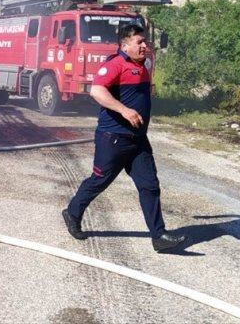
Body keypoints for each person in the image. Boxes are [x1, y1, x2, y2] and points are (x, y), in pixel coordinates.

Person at [62, 24, 187, 253]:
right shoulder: (114, 64)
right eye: (139, 42)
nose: (144, 46)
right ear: (124, 45)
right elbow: (96, 91)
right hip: (114, 138)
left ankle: (158, 236)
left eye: (145, 41)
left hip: (138, 140)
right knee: (100, 181)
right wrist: (124, 110)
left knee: (149, 185)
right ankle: (72, 212)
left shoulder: (144, 64)